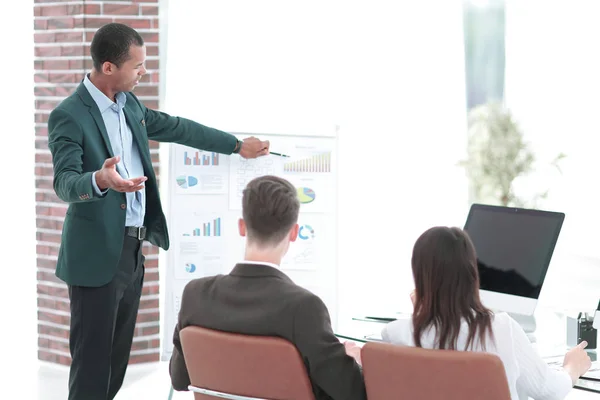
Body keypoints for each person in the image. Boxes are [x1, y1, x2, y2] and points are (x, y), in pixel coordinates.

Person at [47, 22, 270, 400]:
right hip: (94, 255)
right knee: (91, 367)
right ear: (108, 68)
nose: (143, 72)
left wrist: (235, 145)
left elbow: (178, 128)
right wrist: (100, 179)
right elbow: (65, 182)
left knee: (116, 365)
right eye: (137, 66)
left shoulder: (129, 105)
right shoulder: (69, 115)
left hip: (132, 252)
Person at [170, 175, 366, 400]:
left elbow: (180, 378)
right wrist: (350, 360)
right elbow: (352, 393)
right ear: (294, 233)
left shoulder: (195, 295)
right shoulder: (303, 308)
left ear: (242, 227)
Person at [381, 226, 591, 400]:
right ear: (472, 272)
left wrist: (420, 311)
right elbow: (549, 391)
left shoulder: (396, 333)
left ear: (419, 275)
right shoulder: (501, 330)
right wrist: (572, 366)